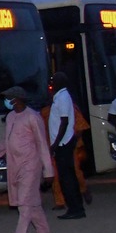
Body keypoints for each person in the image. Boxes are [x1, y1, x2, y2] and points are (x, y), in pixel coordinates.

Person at [0, 86, 54, 233]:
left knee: (24, 203)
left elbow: (42, 145)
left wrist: (48, 171)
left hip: (31, 166)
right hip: (15, 165)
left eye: (9, 98)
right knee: (32, 204)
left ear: (17, 99)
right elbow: (5, 142)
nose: (7, 101)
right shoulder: (12, 117)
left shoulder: (33, 117)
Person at [47, 72, 86, 219]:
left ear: (60, 83)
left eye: (53, 81)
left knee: (67, 178)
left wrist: (55, 144)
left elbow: (64, 122)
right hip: (63, 142)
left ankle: (75, 209)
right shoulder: (60, 97)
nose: (51, 84)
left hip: (64, 142)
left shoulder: (62, 97)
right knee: (67, 177)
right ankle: (76, 208)